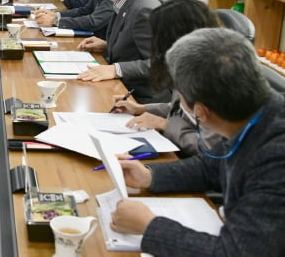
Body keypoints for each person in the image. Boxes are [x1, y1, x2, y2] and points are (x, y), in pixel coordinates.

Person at [111, 27, 285, 256]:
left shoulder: (276, 157)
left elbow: (236, 252)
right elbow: (211, 165)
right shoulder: (255, 112)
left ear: (201, 112)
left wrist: (150, 226)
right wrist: (151, 176)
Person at [110, 0, 221, 156]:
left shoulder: (215, 78)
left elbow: (209, 149)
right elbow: (179, 108)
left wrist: (164, 124)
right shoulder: (188, 63)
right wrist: (141, 109)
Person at [77, 0, 166, 104]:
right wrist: (107, 45)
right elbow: (134, 45)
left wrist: (115, 69)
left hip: (140, 98)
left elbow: (159, 64)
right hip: (122, 88)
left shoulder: (143, 8)